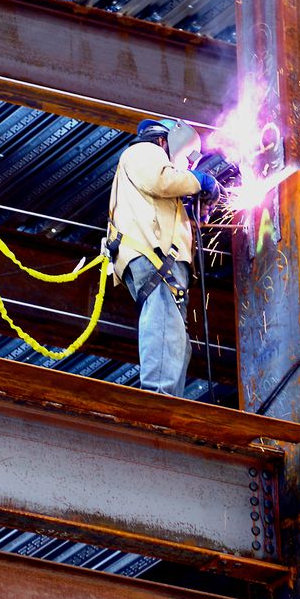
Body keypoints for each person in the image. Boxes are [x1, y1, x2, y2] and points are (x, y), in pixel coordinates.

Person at [107, 118, 218, 398]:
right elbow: (161, 180)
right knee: (164, 322)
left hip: (158, 260)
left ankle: (171, 399)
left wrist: (196, 210)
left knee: (177, 338)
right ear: (165, 141)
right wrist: (198, 181)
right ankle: (159, 398)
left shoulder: (150, 169)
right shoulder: (144, 151)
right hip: (154, 259)